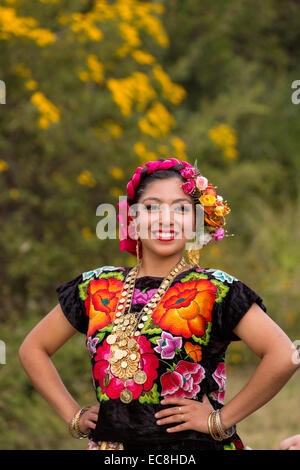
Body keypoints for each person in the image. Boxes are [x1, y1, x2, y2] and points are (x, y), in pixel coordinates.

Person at [19, 157, 299, 451]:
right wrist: (74, 417)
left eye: (180, 208)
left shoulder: (215, 289)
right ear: (132, 218)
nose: (166, 219)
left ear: (196, 220)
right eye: (152, 207)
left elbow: (284, 355)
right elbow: (33, 349)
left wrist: (218, 420)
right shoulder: (96, 286)